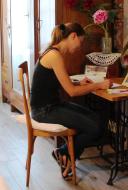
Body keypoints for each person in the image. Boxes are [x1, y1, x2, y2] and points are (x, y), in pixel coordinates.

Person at [30, 22, 112, 180]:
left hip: (51, 106)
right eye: (80, 43)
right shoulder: (55, 55)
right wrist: (99, 85)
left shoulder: (53, 52)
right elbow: (72, 93)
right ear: (73, 36)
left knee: (95, 119)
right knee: (95, 127)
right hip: (44, 111)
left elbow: (60, 82)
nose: (79, 47)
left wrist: (78, 82)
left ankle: (65, 155)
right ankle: (63, 153)